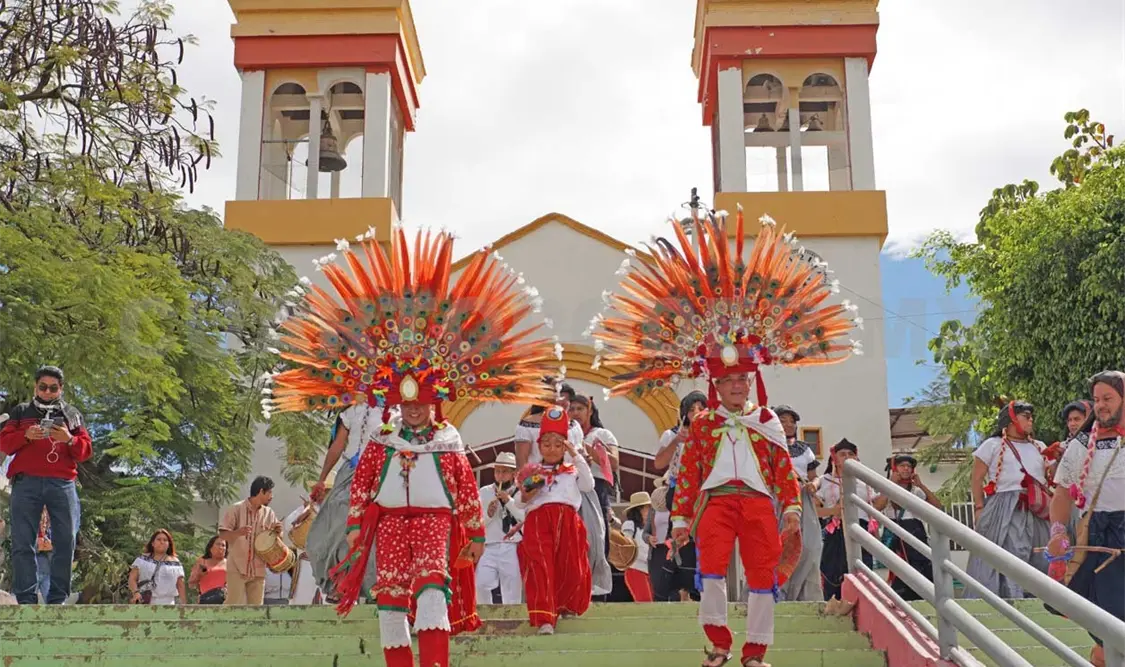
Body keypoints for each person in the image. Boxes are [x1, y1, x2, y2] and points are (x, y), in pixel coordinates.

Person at [265, 227, 560, 667]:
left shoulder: (447, 440)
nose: (415, 411)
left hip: (432, 526)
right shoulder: (384, 439)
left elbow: (463, 489)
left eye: (422, 403)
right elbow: (363, 486)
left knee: (430, 598)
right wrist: (354, 528)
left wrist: (477, 535)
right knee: (390, 606)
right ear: (397, 403)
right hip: (387, 529)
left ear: (434, 402)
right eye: (408, 404)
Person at [591, 208, 861, 667]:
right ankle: (718, 643)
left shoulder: (768, 421)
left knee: (761, 579)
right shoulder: (705, 427)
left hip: (757, 504)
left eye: (742, 380)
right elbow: (690, 473)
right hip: (715, 503)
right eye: (728, 381)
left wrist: (792, 508)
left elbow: (782, 469)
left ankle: (754, 652)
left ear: (750, 381)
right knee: (710, 575)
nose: (736, 386)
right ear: (717, 385)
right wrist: (679, 521)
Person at [1048, 371, 1125, 667]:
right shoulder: (1081, 445)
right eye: (1096, 400)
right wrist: (1057, 531)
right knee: (1110, 627)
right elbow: (1062, 493)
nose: (1101, 405)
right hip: (1097, 541)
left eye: (1108, 398)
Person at [0, 365, 93, 605]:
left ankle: (58, 599)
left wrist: (69, 439)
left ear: (61, 389)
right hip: (26, 483)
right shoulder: (21, 411)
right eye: (43, 387)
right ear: (35, 387)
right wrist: (26, 435)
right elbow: (5, 444)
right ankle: (26, 600)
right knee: (22, 542)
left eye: (53, 388)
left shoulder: (71, 413)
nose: (48, 392)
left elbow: (85, 451)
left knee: (66, 540)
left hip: (62, 483)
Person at [514, 387, 613, 598]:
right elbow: (522, 464)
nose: (561, 400)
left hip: (571, 487)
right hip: (539, 490)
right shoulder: (526, 424)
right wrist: (529, 487)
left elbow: (579, 458)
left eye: (562, 395)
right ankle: (543, 605)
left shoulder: (573, 424)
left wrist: (579, 460)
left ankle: (576, 597)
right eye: (555, 394)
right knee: (540, 557)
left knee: (586, 545)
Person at [512, 407, 594, 633]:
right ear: (539, 447)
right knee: (541, 567)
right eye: (546, 444)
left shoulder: (572, 470)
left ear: (565, 446)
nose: (552, 449)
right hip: (539, 522)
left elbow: (588, 485)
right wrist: (529, 490)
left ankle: (565, 604)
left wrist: (576, 455)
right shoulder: (534, 472)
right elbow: (520, 502)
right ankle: (545, 618)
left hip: (568, 521)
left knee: (572, 567)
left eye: (558, 444)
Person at [966, 401, 1050, 598]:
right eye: (1025, 416)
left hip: (1037, 508)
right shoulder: (992, 445)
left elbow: (1054, 474)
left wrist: (1059, 457)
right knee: (1011, 554)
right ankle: (1011, 600)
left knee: (1041, 555)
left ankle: (1041, 600)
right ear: (1011, 420)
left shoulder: (1040, 447)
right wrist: (979, 508)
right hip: (1006, 508)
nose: (1031, 420)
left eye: (1031, 416)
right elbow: (977, 478)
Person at [306, 404, 381, 597]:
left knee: (377, 529)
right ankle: (342, 581)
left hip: (382, 473)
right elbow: (338, 445)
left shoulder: (396, 411)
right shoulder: (350, 411)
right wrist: (322, 479)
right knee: (340, 523)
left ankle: (379, 584)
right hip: (351, 474)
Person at [773, 404, 823, 602]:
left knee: (810, 546)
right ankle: (779, 592)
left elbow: (815, 477)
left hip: (803, 499)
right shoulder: (769, 446)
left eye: (792, 421)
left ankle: (805, 595)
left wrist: (814, 485)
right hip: (780, 499)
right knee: (782, 545)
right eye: (783, 421)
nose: (788, 425)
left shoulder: (804, 449)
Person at [873, 454, 941, 601]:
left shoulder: (916, 491)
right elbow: (878, 506)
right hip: (894, 529)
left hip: (914, 529)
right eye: (902, 465)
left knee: (921, 565)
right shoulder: (885, 487)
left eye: (909, 466)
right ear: (894, 468)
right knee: (899, 566)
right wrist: (890, 484)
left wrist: (921, 485)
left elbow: (937, 507)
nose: (906, 469)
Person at [218, 475, 282, 605]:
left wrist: (278, 531)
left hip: (258, 569)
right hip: (237, 567)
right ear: (260, 491)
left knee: (256, 610)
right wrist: (238, 532)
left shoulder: (269, 513)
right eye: (269, 492)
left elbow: (277, 538)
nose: (272, 496)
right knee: (233, 606)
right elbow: (222, 535)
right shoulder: (236, 509)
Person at [569, 394, 619, 555]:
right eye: (571, 409)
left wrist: (585, 447)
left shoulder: (603, 434)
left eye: (580, 409)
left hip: (597, 489)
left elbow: (614, 463)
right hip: (571, 487)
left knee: (598, 538)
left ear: (589, 411)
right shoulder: (564, 435)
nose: (575, 413)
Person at [476, 451, 524, 605]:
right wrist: (489, 514)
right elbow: (477, 523)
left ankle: (512, 620)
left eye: (505, 471)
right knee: (481, 583)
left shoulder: (520, 493)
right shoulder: (484, 492)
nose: (500, 475)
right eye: (497, 471)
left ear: (514, 474)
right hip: (489, 545)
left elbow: (524, 518)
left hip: (512, 545)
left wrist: (508, 501)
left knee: (512, 587)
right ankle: (485, 617)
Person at [128, 529, 186, 605]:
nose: (162, 542)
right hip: (145, 602)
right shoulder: (142, 560)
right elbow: (132, 579)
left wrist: (184, 605)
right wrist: (135, 593)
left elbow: (180, 585)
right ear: (153, 543)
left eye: (165, 540)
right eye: (159, 539)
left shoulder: (175, 562)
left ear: (169, 544)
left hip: (168, 604)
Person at [621, 491, 653, 602]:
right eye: (647, 507)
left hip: (650, 571)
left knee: (652, 604)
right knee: (645, 602)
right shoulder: (630, 525)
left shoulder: (649, 528)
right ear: (639, 509)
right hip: (635, 569)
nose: (650, 510)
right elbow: (626, 546)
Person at [188, 535, 228, 604]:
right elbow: (191, 584)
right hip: (206, 600)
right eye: (218, 544)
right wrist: (199, 575)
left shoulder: (229, 563)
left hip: (224, 601)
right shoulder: (202, 561)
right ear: (210, 547)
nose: (221, 547)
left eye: (223, 545)